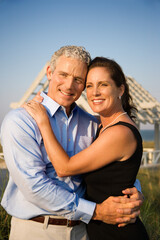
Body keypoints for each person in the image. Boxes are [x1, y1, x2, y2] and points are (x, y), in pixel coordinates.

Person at [1, 46, 142, 240]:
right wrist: (96, 212)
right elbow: (33, 186)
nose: (69, 85)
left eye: (78, 80)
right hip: (37, 230)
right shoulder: (21, 121)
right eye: (63, 74)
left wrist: (134, 191)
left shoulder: (92, 124)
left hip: (83, 231)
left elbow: (113, 167)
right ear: (49, 72)